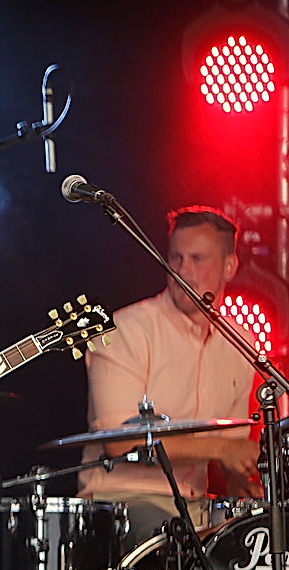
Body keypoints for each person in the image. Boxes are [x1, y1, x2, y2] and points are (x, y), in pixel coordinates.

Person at [78, 205, 260, 543]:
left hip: (196, 508)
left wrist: (247, 489)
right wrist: (223, 450)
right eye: (175, 258)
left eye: (197, 259)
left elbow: (231, 449)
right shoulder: (126, 330)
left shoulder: (240, 343)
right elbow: (121, 442)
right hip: (123, 503)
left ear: (229, 266)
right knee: (188, 552)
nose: (182, 270)